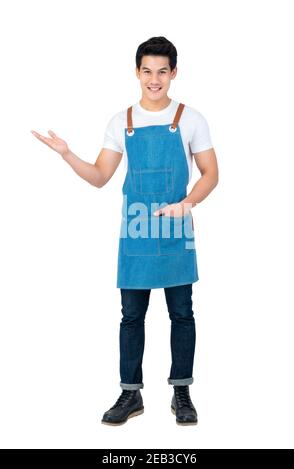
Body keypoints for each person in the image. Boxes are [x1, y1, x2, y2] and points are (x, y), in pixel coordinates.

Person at [31, 36, 218, 426]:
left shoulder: (191, 118)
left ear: (174, 74)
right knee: (131, 316)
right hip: (135, 231)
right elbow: (100, 176)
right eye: (147, 71)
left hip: (175, 229)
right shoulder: (122, 122)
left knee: (182, 313)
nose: (154, 79)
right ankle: (130, 394)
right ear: (137, 73)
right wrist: (68, 154)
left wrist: (187, 204)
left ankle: (181, 391)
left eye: (162, 72)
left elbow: (211, 174)